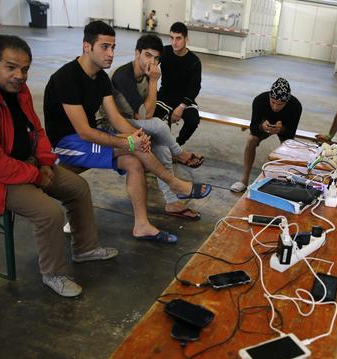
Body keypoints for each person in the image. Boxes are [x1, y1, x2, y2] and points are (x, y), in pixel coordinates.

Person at [0, 35, 118, 297]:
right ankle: (54, 273)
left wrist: (46, 162)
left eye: (25, 69)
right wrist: (36, 175)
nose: (19, 75)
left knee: (78, 187)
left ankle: (84, 249)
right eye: (11, 67)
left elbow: (36, 130)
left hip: (24, 165)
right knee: (48, 213)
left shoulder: (17, 89)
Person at [44, 21, 212, 243]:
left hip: (91, 136)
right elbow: (84, 132)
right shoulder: (67, 78)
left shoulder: (102, 77)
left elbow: (116, 118)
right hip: (67, 143)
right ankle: (174, 183)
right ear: (86, 46)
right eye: (104, 47)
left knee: (134, 160)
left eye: (113, 47)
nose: (111, 53)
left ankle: (141, 225)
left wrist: (135, 136)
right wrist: (127, 142)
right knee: (135, 145)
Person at [108, 34, 205, 220]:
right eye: (147, 55)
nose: (151, 62)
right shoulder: (123, 76)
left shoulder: (145, 75)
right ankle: (180, 153)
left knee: (162, 150)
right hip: (114, 127)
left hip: (132, 124)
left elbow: (149, 108)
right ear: (136, 53)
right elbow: (146, 115)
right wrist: (154, 81)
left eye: (156, 58)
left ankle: (171, 202)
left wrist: (152, 81)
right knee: (159, 125)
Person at [230, 78, 302, 193]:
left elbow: (290, 134)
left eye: (280, 104)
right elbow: (253, 127)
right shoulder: (260, 100)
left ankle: (284, 180)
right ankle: (244, 179)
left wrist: (281, 129)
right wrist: (262, 126)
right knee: (251, 140)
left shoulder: (295, 106)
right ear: (269, 96)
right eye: (273, 102)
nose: (275, 107)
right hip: (263, 124)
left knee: (288, 148)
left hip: (283, 127)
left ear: (287, 101)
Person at [155, 22, 202, 146]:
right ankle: (158, 145)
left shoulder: (194, 61)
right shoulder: (164, 51)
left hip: (185, 99)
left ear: (186, 39)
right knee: (152, 115)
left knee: (193, 120)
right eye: (171, 38)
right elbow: (150, 66)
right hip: (165, 96)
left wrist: (181, 106)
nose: (174, 42)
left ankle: (177, 145)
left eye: (178, 38)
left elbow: (195, 88)